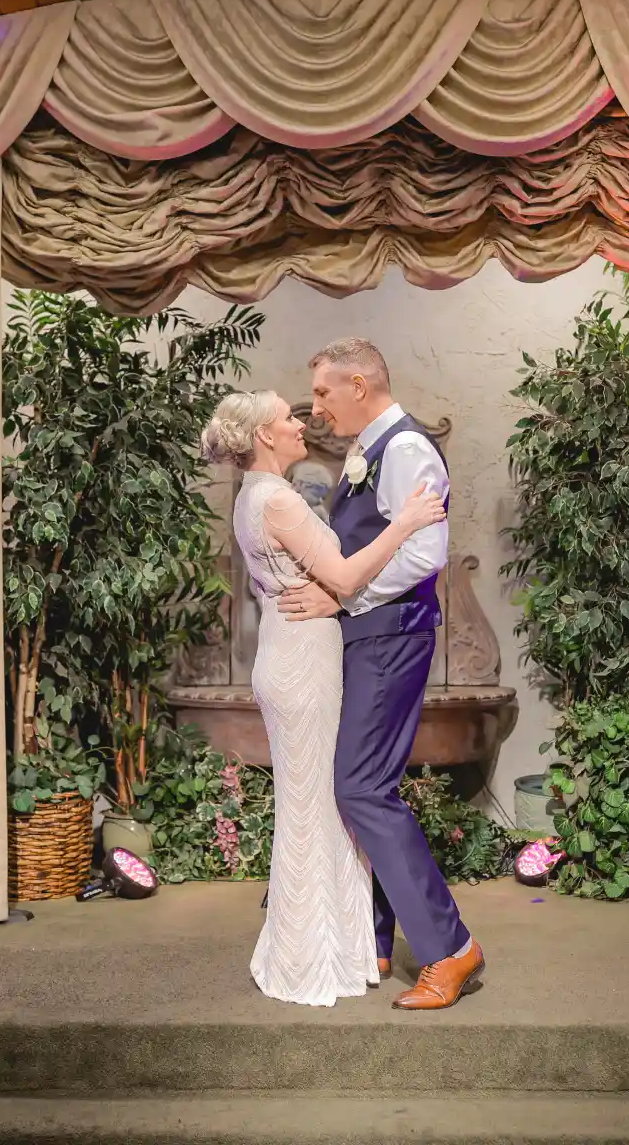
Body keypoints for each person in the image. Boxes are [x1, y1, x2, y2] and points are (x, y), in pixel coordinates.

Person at [201, 390, 446, 1007]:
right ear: (263, 436)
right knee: (318, 810)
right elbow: (340, 576)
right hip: (304, 664)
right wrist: (406, 524)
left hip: (291, 655)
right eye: (287, 417)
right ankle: (311, 952)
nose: (300, 421)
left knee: (313, 807)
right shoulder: (277, 498)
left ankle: (334, 940)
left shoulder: (253, 497)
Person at [277, 337, 485, 1011]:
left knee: (361, 788)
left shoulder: (407, 450)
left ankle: (451, 950)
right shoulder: (371, 448)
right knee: (362, 787)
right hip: (367, 635)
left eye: (323, 394)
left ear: (360, 384)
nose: (316, 409)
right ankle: (375, 936)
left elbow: (424, 554)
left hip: (391, 634)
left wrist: (342, 597)